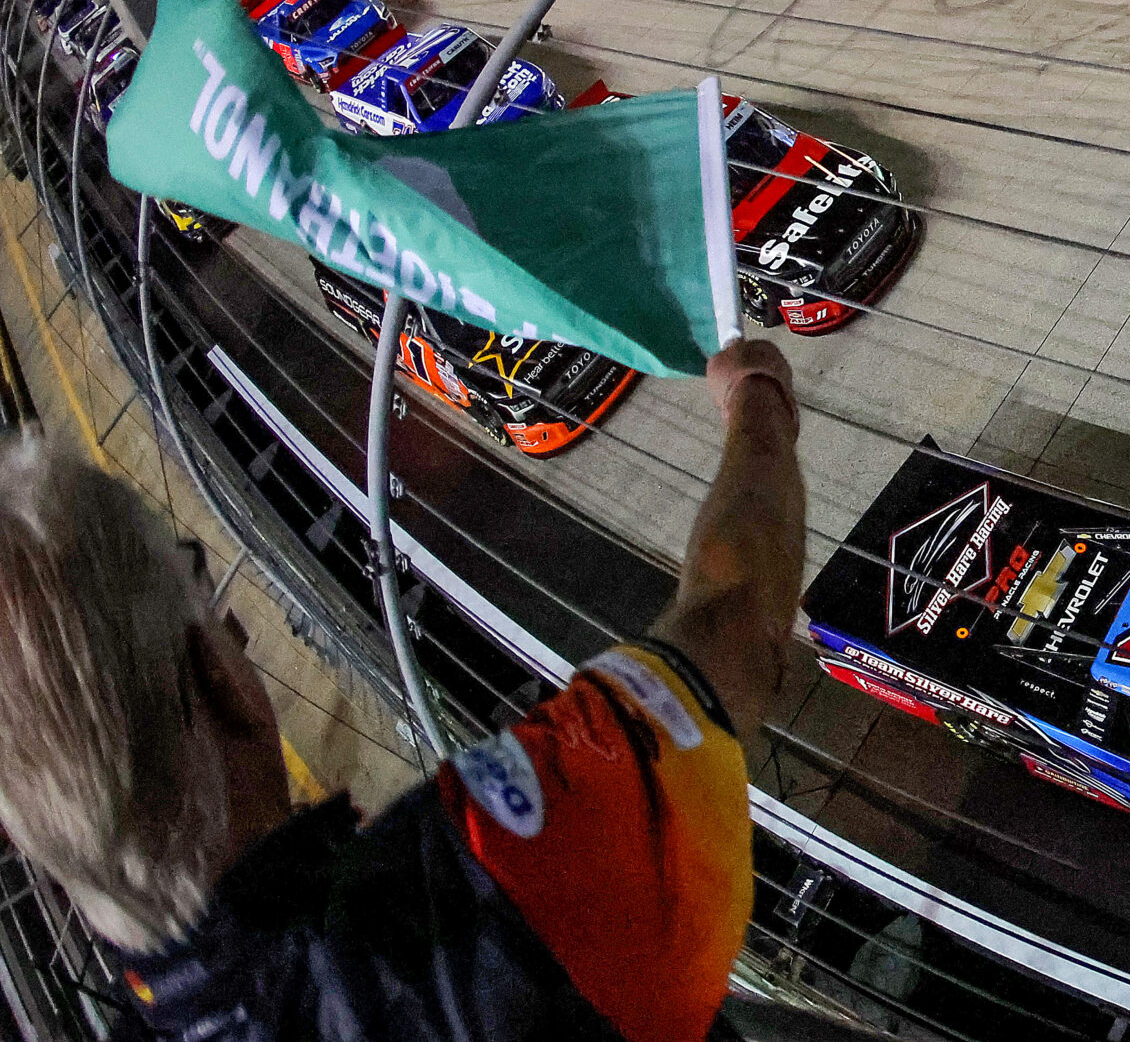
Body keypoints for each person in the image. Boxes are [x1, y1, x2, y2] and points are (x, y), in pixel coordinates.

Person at [0, 339, 808, 1042]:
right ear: (212, 673)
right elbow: (739, 620)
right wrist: (756, 400)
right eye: (201, 590)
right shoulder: (471, 895)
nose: (234, 627)